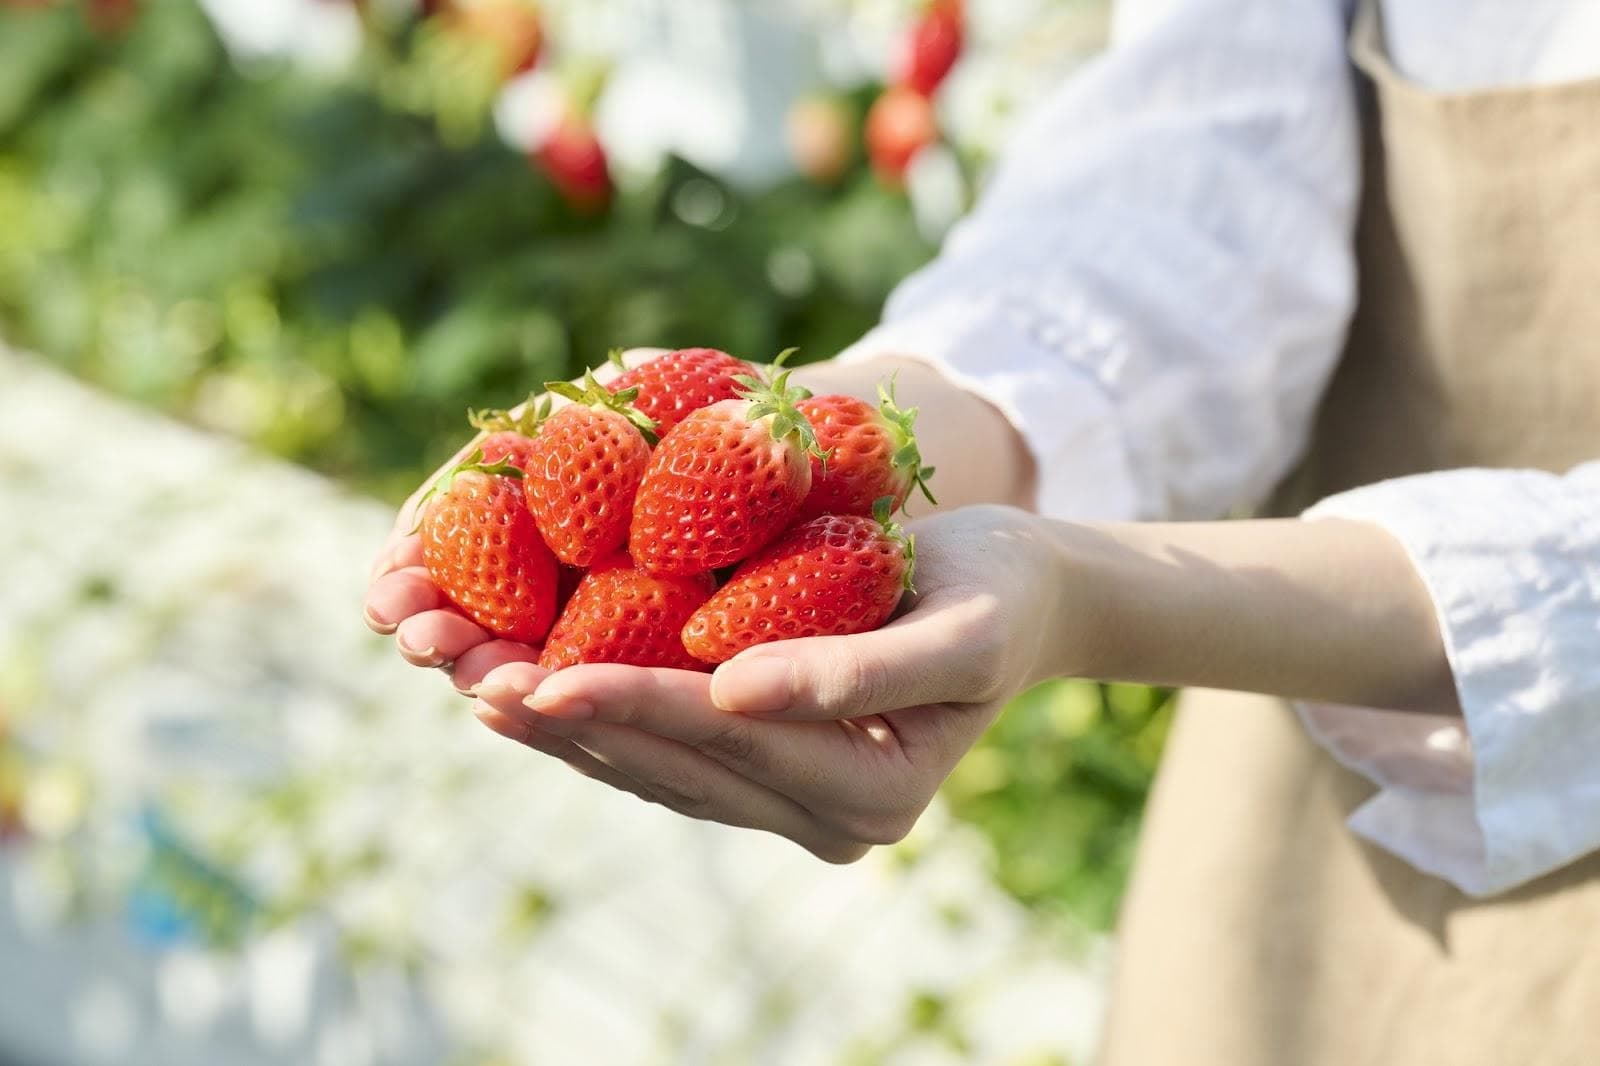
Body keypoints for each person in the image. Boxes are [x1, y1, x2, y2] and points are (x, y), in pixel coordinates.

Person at [365, 0, 1600, 1060]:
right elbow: (1205, 169)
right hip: (1296, 765)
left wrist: (1078, 597)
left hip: (1277, 627)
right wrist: (892, 422)